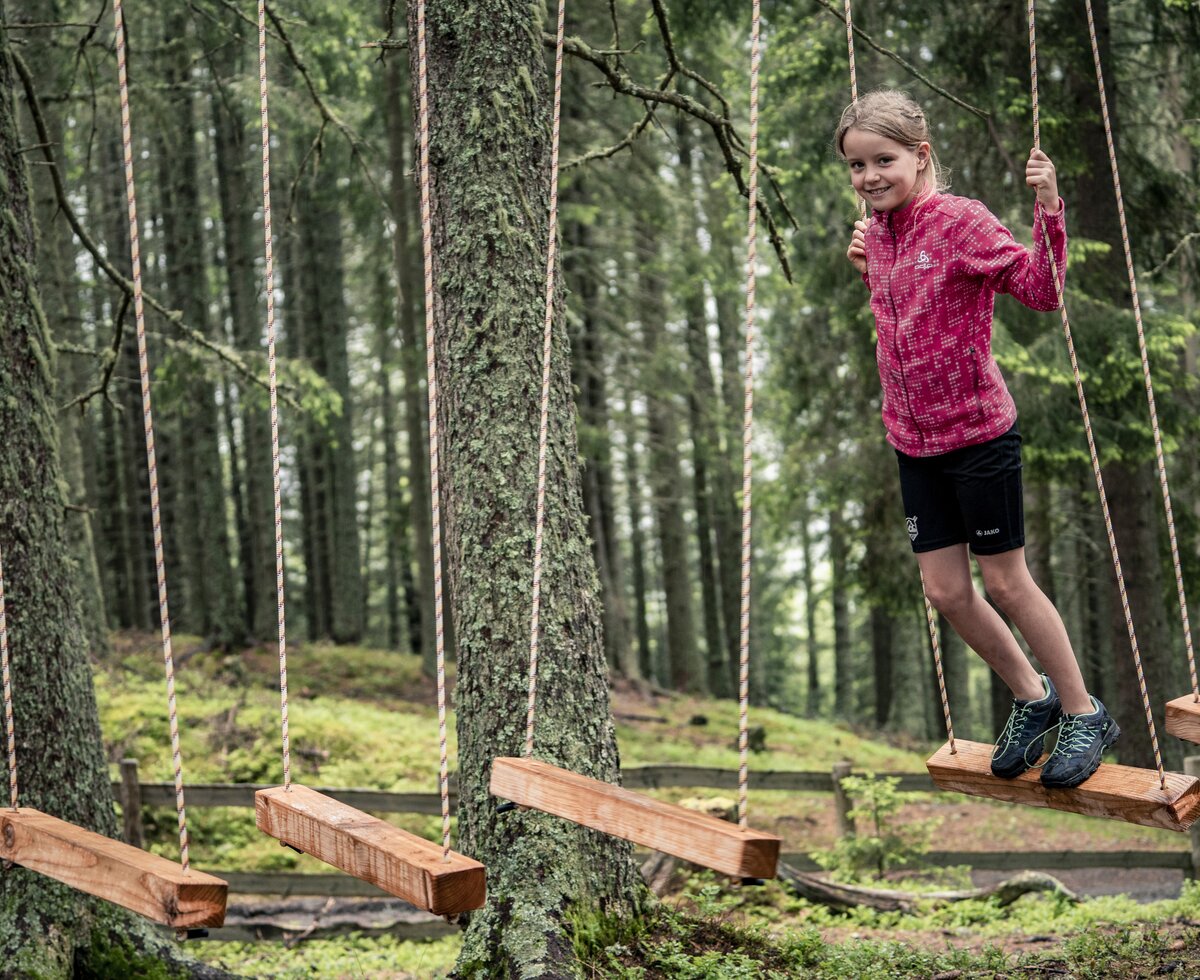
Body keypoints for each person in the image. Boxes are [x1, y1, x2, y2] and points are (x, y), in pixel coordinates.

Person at [837, 89, 1118, 789]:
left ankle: (1084, 712)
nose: (870, 176)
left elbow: (1041, 290)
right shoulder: (875, 233)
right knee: (945, 591)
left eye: (884, 160)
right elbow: (904, 311)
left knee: (1006, 581)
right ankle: (1033, 696)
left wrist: (1048, 208)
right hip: (912, 440)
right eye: (857, 165)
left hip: (977, 434)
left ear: (920, 155)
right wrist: (869, 266)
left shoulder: (959, 220)